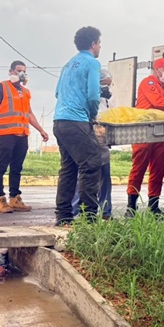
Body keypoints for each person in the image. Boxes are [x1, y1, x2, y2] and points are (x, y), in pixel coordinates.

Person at [53, 27, 103, 226]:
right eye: (99, 43)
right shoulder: (92, 63)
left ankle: (63, 215)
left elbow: (58, 93)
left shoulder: (68, 64)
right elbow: (93, 95)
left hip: (59, 121)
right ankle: (89, 218)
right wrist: (91, 115)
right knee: (91, 164)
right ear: (93, 44)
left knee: (69, 168)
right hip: (77, 121)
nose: (100, 47)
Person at [126, 58, 164, 217]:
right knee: (139, 168)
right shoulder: (149, 83)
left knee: (158, 169)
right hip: (144, 132)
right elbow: (158, 102)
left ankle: (154, 207)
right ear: (157, 69)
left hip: (160, 132)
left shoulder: (162, 87)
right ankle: (131, 207)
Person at [0, 60, 49, 213]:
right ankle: (0, 199)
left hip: (22, 134)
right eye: (18, 70)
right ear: (11, 72)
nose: (21, 74)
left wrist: (41, 129)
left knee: (17, 167)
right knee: (1, 166)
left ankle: (14, 198)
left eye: (24, 71)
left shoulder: (26, 92)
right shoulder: (2, 87)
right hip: (7, 133)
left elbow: (28, 113)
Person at [72, 69, 113, 219]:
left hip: (103, 142)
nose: (106, 88)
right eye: (103, 84)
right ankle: (77, 210)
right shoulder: (88, 97)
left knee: (105, 177)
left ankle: (105, 210)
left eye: (108, 85)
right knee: (84, 176)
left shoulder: (108, 99)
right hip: (88, 140)